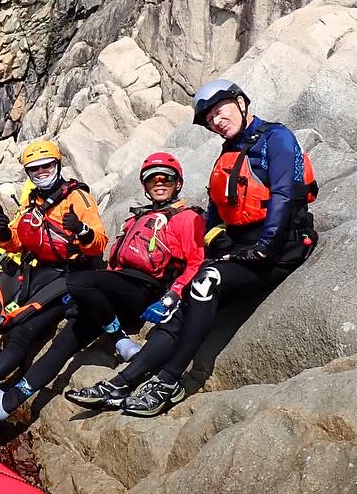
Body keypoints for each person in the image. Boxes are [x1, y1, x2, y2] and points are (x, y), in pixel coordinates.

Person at [68, 79, 317, 416]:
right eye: (210, 118)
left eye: (220, 111)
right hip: (244, 249)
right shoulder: (228, 152)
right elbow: (216, 210)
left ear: (241, 102)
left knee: (206, 281)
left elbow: (284, 194)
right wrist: (219, 238)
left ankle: (169, 382)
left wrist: (265, 245)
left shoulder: (277, 138)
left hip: (280, 247)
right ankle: (123, 382)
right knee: (180, 311)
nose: (216, 121)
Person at [0, 153, 204, 423]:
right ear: (143, 185)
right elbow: (112, 267)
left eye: (165, 177)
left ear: (178, 183)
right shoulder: (135, 219)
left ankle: (119, 338)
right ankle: (8, 402)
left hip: (145, 288)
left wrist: (172, 295)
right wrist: (89, 299)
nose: (158, 182)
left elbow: (197, 262)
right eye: (151, 178)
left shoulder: (187, 218)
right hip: (113, 294)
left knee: (78, 280)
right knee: (63, 344)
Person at [0, 139, 107, 390]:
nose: (41, 173)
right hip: (37, 268)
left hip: (69, 273)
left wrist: (82, 231)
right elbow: (19, 243)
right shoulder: (31, 202)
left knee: (21, 330)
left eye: (47, 167)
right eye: (34, 169)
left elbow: (99, 243)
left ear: (58, 165)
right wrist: (5, 234)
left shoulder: (79, 198)